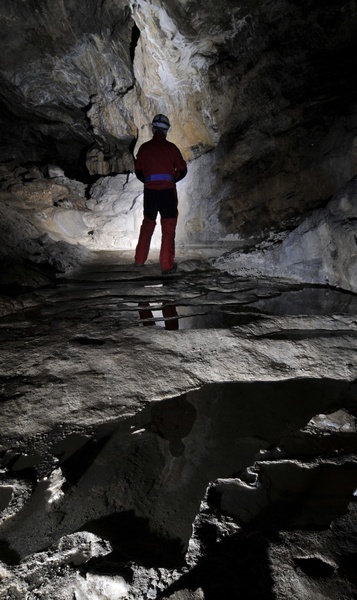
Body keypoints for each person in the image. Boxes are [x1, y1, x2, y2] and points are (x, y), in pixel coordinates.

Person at [134, 114, 187, 275]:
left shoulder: (144, 148)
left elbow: (138, 171)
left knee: (148, 224)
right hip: (167, 194)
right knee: (168, 228)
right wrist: (171, 181)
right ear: (166, 130)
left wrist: (149, 182)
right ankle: (166, 265)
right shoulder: (171, 148)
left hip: (150, 192)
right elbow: (183, 170)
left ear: (153, 129)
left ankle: (139, 260)